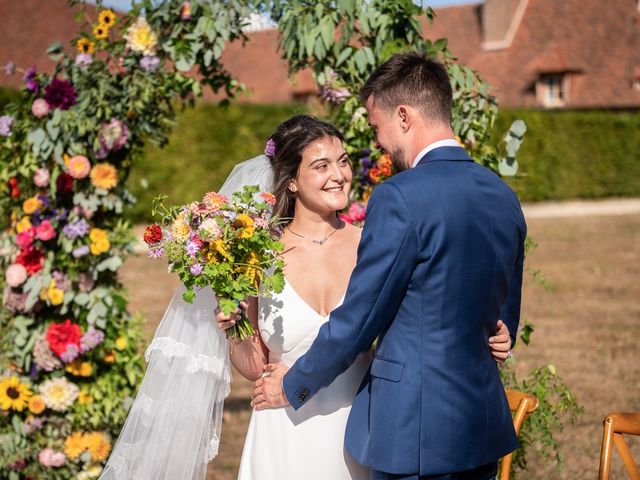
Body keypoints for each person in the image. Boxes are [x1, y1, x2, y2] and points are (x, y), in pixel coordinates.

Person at [252, 53, 527, 480]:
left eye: (376, 126)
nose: (378, 141)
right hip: (480, 428)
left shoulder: (399, 196)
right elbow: (504, 305)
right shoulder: (502, 195)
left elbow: (360, 318)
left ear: (403, 116)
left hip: (413, 432)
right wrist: (503, 332)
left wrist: (292, 384)